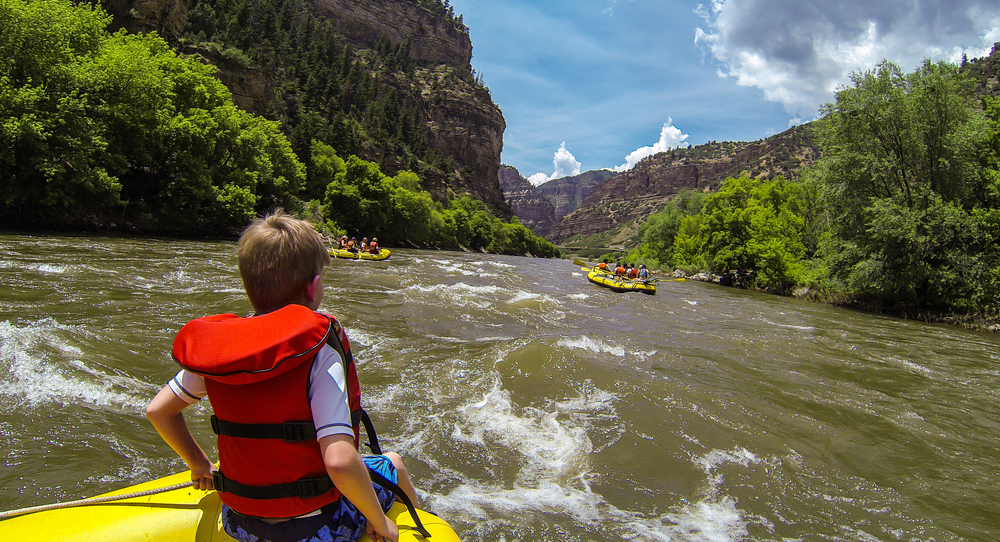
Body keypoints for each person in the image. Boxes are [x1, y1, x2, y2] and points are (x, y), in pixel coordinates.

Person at [146, 211, 416, 542]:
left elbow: (158, 411)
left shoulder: (226, 350)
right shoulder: (319, 350)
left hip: (239, 524)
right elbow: (340, 461)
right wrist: (379, 521)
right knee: (394, 462)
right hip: (317, 528)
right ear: (314, 287)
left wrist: (199, 463)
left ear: (248, 286)